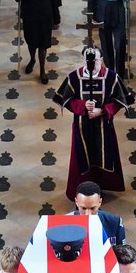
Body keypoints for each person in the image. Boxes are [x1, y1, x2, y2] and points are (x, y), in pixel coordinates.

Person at [54, 47, 130, 195]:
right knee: (82, 157)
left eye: (95, 60)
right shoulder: (74, 77)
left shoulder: (111, 77)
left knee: (104, 155)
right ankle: (82, 189)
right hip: (81, 126)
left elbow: (120, 101)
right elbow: (66, 100)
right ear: (82, 60)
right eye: (88, 60)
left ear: (101, 60)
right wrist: (82, 106)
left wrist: (102, 111)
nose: (92, 63)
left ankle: (102, 186)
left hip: (104, 126)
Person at [14, 0, 55, 82]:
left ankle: (42, 70)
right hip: (30, 17)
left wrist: (56, 18)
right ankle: (32, 59)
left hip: (45, 17)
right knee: (32, 42)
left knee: (43, 44)